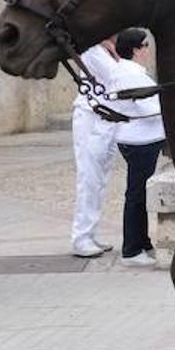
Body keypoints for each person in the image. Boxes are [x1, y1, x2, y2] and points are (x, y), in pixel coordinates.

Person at [108, 28, 165, 268]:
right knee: (137, 195)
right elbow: (150, 108)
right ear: (136, 50)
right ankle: (131, 250)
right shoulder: (132, 74)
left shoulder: (130, 71)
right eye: (145, 46)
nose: (148, 51)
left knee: (138, 193)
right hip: (140, 141)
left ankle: (142, 242)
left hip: (140, 139)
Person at [70, 38, 122, 258]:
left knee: (100, 180)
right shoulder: (91, 49)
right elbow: (116, 77)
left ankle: (90, 234)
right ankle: (81, 238)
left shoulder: (108, 50)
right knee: (89, 178)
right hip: (91, 116)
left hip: (107, 119)